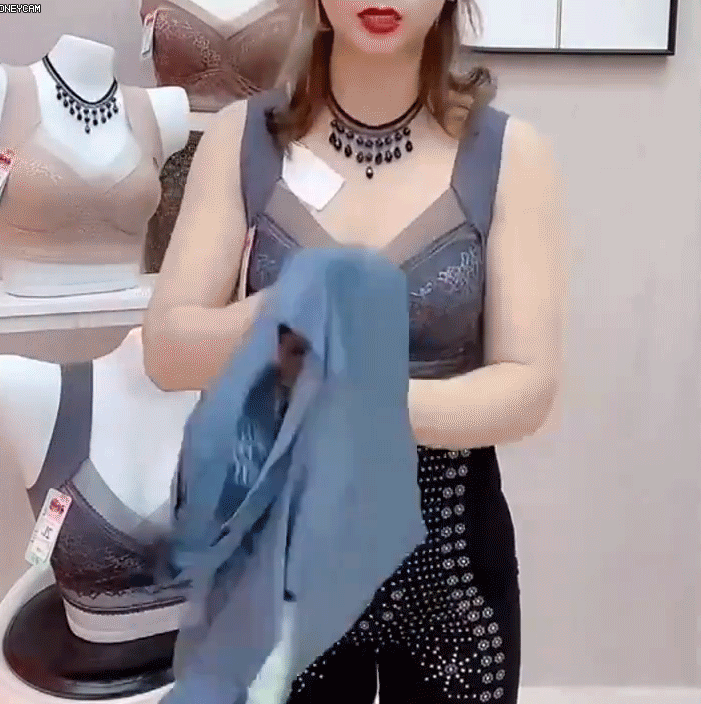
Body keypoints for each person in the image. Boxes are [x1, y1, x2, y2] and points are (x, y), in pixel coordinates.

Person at [143, 1, 566, 702]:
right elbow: (167, 350)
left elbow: (528, 388)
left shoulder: (511, 156)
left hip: (448, 567)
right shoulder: (240, 139)